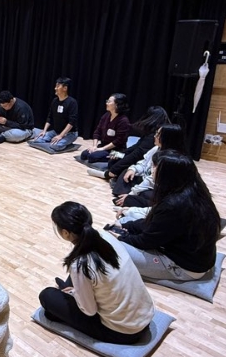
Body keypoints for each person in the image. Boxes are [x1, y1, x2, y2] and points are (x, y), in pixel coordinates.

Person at [38, 202, 154, 344]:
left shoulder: (80, 264)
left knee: (47, 296)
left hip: (124, 332)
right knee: (75, 281)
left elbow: (89, 311)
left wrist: (74, 294)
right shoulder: (105, 235)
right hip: (145, 316)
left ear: (65, 233)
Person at [117, 150, 221, 281]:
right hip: (194, 256)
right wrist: (126, 225)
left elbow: (147, 241)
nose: (152, 170)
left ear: (168, 174)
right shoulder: (194, 191)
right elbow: (154, 223)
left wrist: (121, 237)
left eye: (155, 167)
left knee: (110, 245)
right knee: (126, 220)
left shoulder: (174, 204)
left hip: (184, 267)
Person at [87, 106, 171, 181]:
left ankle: (111, 174)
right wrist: (118, 154)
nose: (107, 103)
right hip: (118, 150)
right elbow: (136, 147)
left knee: (114, 164)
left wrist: (114, 169)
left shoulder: (152, 136)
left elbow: (137, 154)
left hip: (146, 163)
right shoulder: (106, 116)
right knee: (111, 159)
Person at [112, 124, 185, 207]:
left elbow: (151, 180)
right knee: (127, 172)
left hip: (155, 188)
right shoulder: (156, 149)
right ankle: (125, 198)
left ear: (167, 138)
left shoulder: (170, 159)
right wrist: (133, 169)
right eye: (156, 133)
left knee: (146, 194)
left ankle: (127, 197)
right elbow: (143, 163)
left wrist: (132, 193)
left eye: (158, 134)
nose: (155, 136)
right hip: (145, 180)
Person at [79, 93, 131, 163]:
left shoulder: (123, 121)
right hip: (104, 146)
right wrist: (94, 146)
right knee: (84, 155)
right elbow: (97, 132)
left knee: (92, 157)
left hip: (117, 149)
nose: (106, 103)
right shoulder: (106, 116)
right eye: (107, 101)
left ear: (116, 105)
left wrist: (102, 149)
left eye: (109, 102)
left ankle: (119, 157)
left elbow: (118, 141)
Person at [31, 77, 79, 151]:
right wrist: (44, 131)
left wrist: (61, 136)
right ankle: (54, 140)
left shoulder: (72, 102)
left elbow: (71, 122)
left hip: (70, 133)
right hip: (55, 131)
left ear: (65, 88)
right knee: (37, 140)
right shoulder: (54, 101)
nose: (55, 88)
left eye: (58, 86)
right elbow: (49, 117)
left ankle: (68, 144)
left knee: (55, 146)